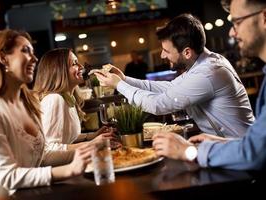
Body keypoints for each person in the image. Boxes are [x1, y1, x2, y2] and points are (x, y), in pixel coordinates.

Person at [0, 30, 93, 199]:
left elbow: (42, 157)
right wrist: (69, 170)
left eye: (33, 52)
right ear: (3, 58)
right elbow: (8, 177)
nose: (35, 59)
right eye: (25, 51)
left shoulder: (29, 104)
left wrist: (88, 151)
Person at [95, 14, 254, 138]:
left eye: (167, 51)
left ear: (186, 52)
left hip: (241, 151)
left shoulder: (207, 73)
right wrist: (124, 79)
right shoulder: (203, 64)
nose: (163, 56)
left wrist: (119, 86)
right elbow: (170, 87)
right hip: (225, 145)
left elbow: (158, 104)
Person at [152, 0, 266, 170]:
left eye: (237, 22)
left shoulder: (210, 69)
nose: (232, 32)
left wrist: (189, 151)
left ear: (264, 18)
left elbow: (254, 154)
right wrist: (221, 143)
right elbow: (257, 145)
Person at [33, 48, 116, 151]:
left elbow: (67, 136)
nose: (81, 67)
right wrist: (92, 144)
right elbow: (48, 148)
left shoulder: (68, 98)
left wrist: (93, 136)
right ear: (59, 70)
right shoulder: (54, 99)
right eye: (74, 63)